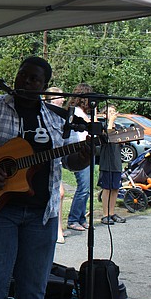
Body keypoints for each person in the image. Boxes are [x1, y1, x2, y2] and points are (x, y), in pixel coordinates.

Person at [0, 56, 90, 299]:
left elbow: (70, 161)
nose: (25, 80)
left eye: (34, 78)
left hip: (43, 215)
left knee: (34, 290)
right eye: (23, 74)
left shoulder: (56, 118)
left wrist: (87, 154)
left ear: (44, 85)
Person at [66, 83, 93, 233]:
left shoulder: (82, 112)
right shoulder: (76, 112)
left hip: (84, 151)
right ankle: (73, 219)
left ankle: (81, 217)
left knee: (87, 188)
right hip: (77, 153)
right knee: (83, 188)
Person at [99, 105, 126, 225]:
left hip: (116, 161)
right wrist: (110, 122)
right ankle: (105, 215)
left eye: (114, 111)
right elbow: (108, 137)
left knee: (115, 188)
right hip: (106, 161)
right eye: (110, 112)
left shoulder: (118, 127)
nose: (113, 113)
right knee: (107, 188)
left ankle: (112, 212)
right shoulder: (103, 126)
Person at [45, 86, 66, 244]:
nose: (63, 99)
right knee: (58, 194)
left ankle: (58, 229)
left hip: (55, 164)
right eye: (60, 97)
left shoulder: (63, 117)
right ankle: (57, 230)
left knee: (59, 194)